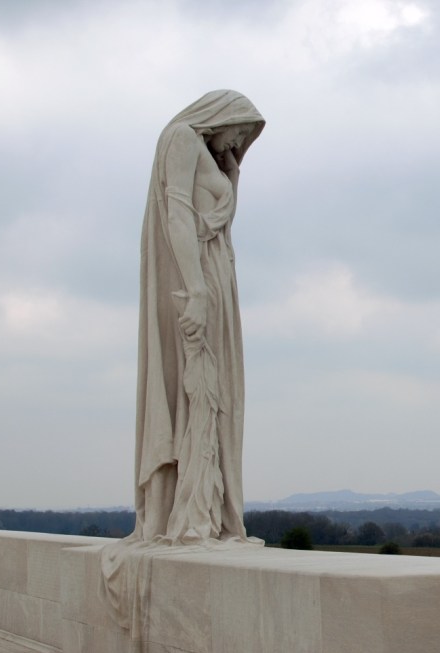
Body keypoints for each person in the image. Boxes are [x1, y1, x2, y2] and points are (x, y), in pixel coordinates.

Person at [133, 90, 265, 544]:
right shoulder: (182, 138)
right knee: (201, 390)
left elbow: (215, 217)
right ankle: (192, 514)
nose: (238, 142)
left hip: (217, 275)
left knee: (221, 391)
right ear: (221, 115)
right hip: (201, 279)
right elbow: (178, 214)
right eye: (240, 131)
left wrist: (231, 174)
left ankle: (214, 510)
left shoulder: (210, 155)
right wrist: (194, 290)